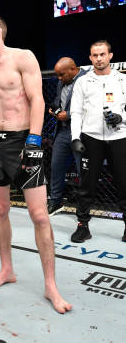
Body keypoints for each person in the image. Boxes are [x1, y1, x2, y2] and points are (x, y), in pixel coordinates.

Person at [0, 14, 71, 314]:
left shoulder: (23, 58)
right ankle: (7, 270)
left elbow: (37, 100)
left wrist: (35, 141)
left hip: (23, 141)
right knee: (0, 210)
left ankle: (51, 285)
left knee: (39, 215)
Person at [69, 40, 126, 243]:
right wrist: (75, 137)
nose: (99, 58)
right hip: (91, 138)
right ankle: (83, 226)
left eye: (102, 54)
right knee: (86, 185)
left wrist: (121, 118)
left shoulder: (122, 80)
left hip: (119, 137)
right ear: (90, 57)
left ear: (110, 55)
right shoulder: (83, 82)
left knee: (124, 183)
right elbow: (75, 112)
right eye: (95, 55)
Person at [46, 57, 87, 215]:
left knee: (82, 170)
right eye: (58, 75)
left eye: (62, 74)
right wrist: (55, 110)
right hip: (62, 131)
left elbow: (90, 106)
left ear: (73, 69)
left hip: (81, 131)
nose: (59, 78)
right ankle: (55, 202)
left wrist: (68, 115)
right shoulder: (61, 81)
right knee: (56, 167)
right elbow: (59, 100)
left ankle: (84, 207)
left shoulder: (87, 80)